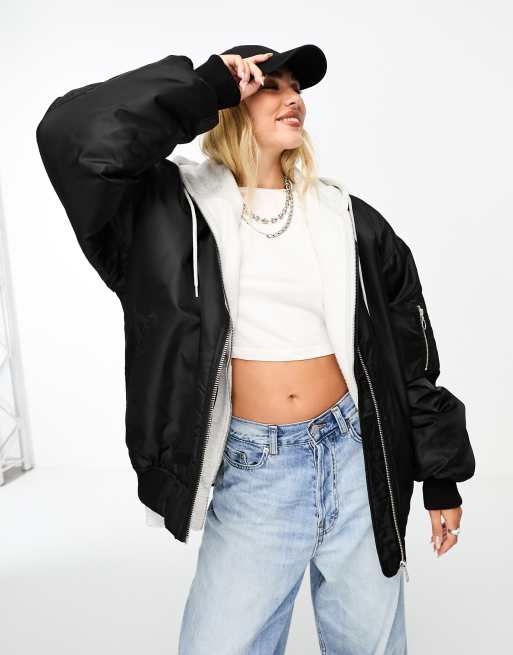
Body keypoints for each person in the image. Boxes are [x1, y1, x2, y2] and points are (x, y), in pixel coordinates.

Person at [36, 43, 475, 654]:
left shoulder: (350, 218)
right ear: (232, 101)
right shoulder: (164, 211)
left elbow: (411, 356)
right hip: (254, 469)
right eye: (271, 85)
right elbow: (71, 136)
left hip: (358, 458)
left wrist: (441, 476)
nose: (292, 98)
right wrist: (205, 85)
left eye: (296, 88)